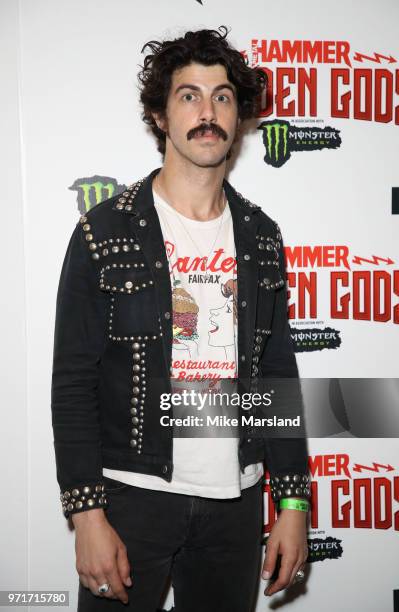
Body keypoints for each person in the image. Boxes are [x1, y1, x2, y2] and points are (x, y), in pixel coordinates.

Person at [51, 26, 311, 612]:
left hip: (235, 506)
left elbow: (278, 376)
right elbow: (72, 384)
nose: (207, 111)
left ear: (238, 116)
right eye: (188, 95)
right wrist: (87, 512)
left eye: (221, 96)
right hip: (132, 499)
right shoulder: (104, 232)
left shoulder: (262, 237)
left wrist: (292, 504)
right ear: (160, 116)